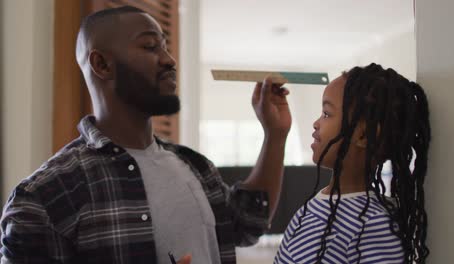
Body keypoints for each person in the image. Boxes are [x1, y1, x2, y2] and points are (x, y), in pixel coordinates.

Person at [0, 6, 292, 264]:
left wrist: (275, 135)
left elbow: (248, 222)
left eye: (165, 46)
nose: (169, 60)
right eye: (150, 46)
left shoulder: (195, 167)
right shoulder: (44, 198)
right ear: (101, 64)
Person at [274, 63, 430, 264]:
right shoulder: (316, 204)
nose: (316, 123)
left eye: (327, 114)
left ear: (364, 135)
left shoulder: (374, 223)